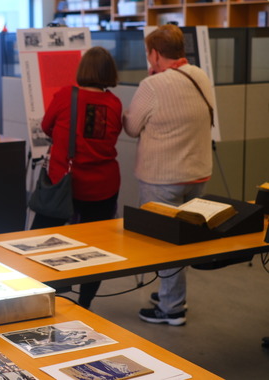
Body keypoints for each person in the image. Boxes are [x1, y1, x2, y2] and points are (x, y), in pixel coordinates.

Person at [123, 24, 214, 326]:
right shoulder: (200, 75)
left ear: (155, 53)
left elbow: (133, 127)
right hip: (197, 172)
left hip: (163, 177)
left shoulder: (153, 86)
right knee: (183, 239)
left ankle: (172, 307)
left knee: (164, 242)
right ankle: (169, 294)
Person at [31, 46, 123, 309]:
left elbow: (46, 126)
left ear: (82, 70)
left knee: (41, 242)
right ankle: (85, 303)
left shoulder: (65, 96)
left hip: (63, 185)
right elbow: (113, 135)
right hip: (103, 186)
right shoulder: (114, 103)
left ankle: (45, 296)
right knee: (96, 250)